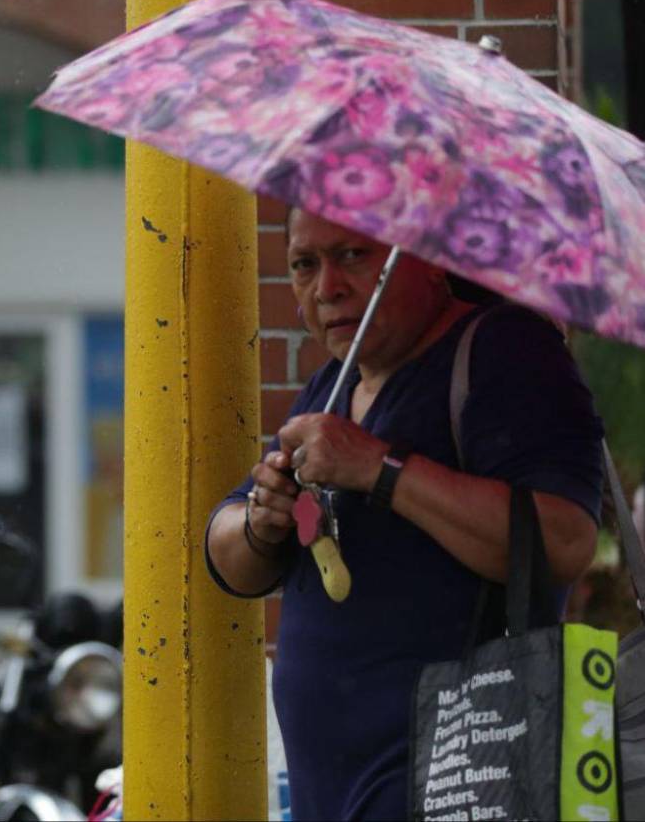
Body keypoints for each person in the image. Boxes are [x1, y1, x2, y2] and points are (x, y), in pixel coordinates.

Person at [206, 209, 604, 821]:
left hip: (457, 777)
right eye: (304, 264)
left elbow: (565, 539)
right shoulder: (333, 387)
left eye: (355, 256)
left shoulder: (506, 351)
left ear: (426, 254)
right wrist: (264, 521)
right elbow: (230, 560)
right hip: (329, 791)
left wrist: (380, 469)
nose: (327, 287)